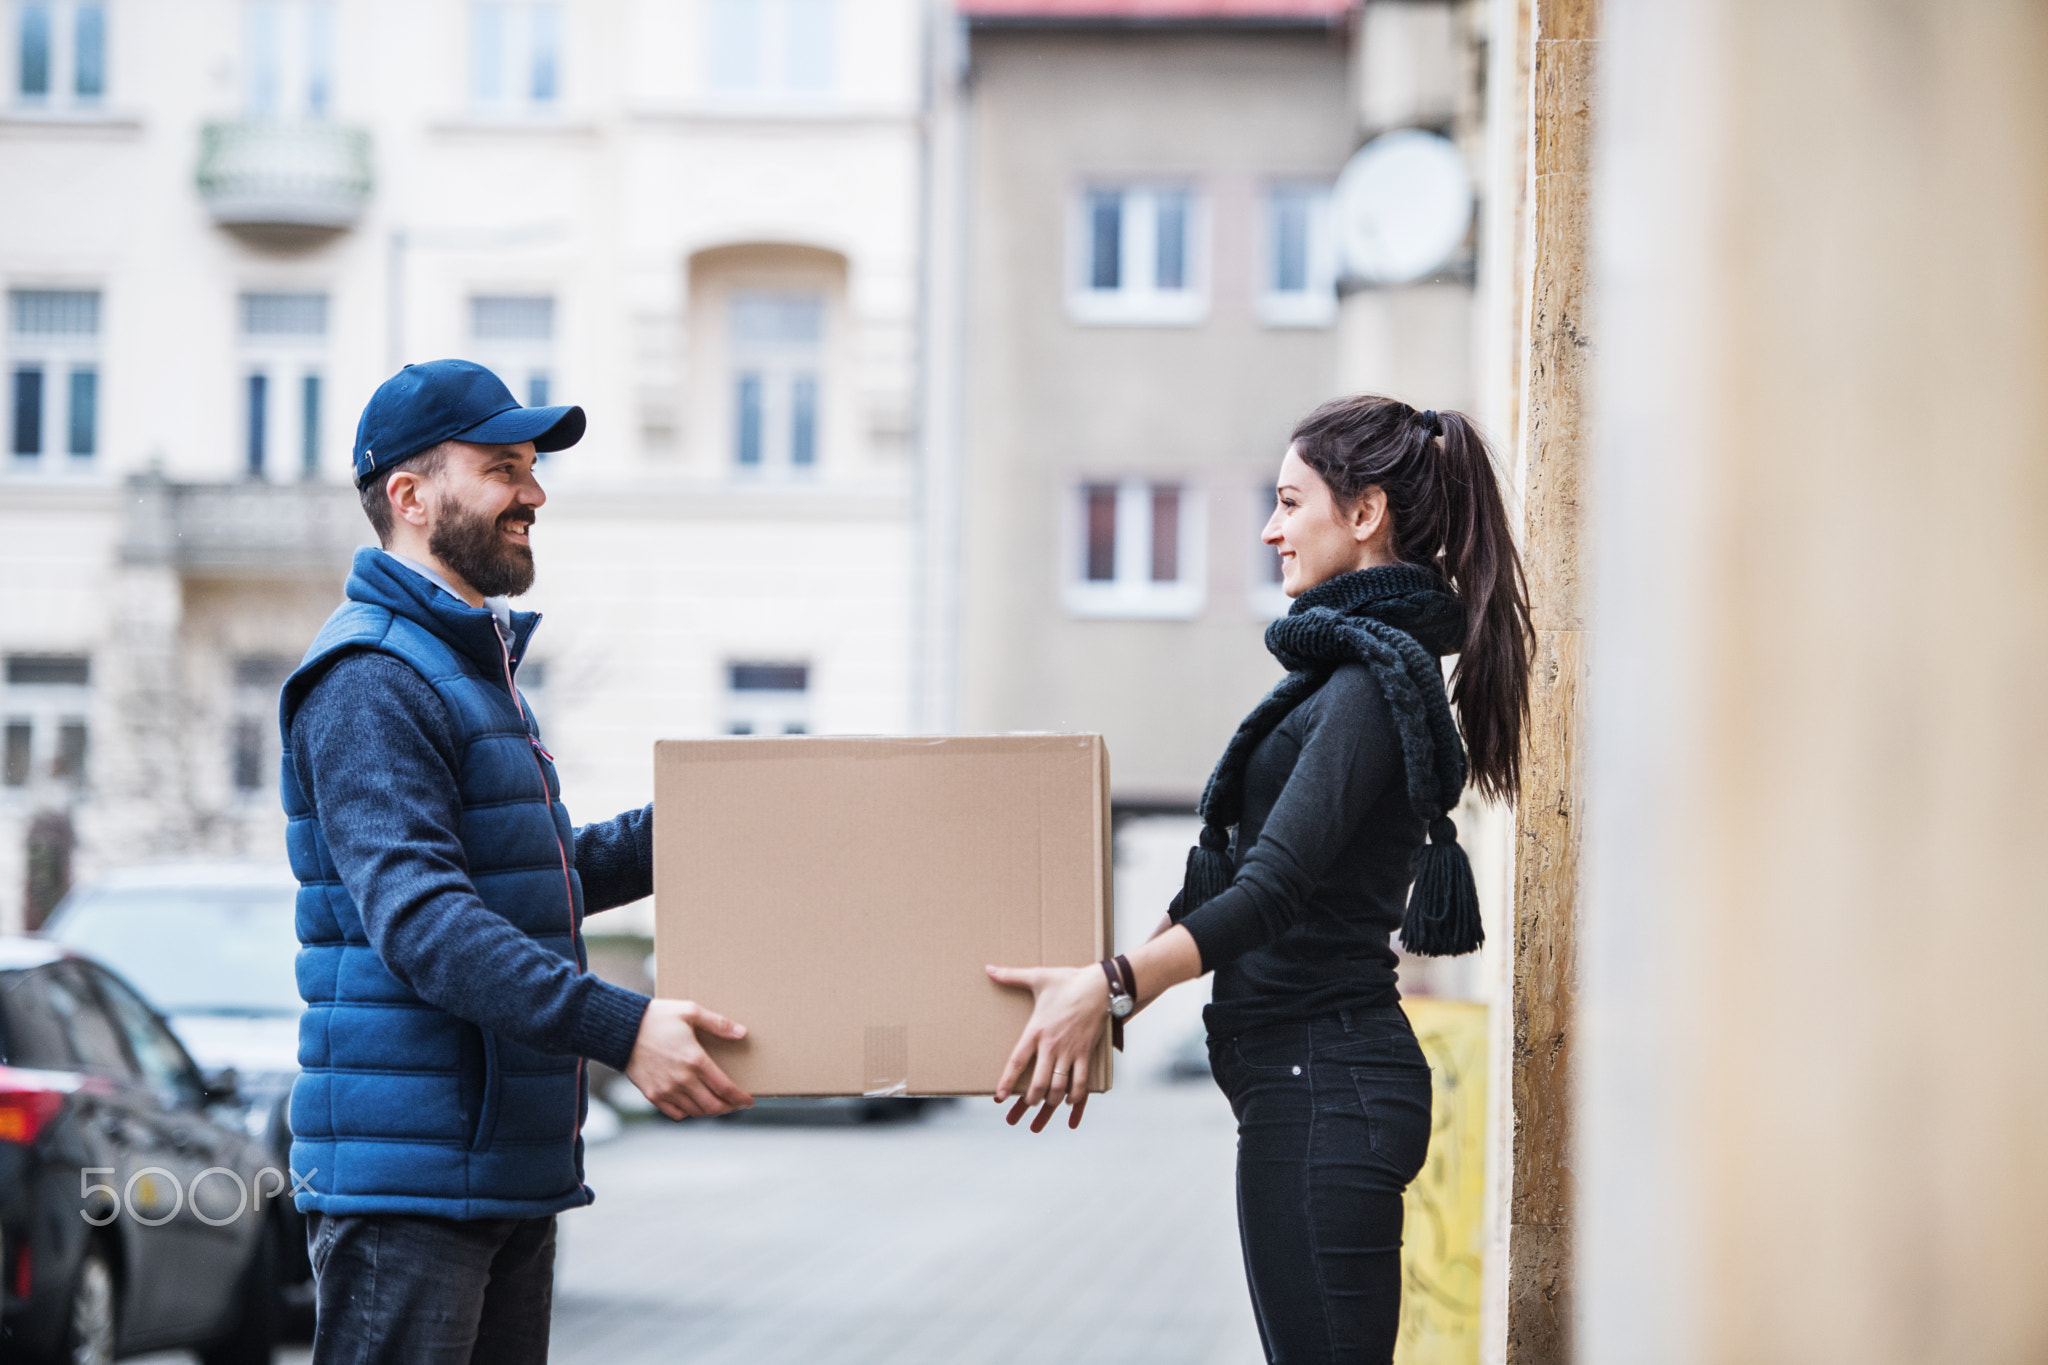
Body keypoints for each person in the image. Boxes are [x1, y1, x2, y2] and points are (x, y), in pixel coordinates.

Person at [988, 395, 1532, 1364]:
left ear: (1363, 515)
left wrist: (1113, 985)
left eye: (1290, 502)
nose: (1272, 530)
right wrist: (1096, 992)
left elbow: (1272, 888)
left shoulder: (1370, 687)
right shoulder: (1347, 676)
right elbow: (1233, 882)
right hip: (1308, 1086)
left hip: (1326, 1087)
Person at [279, 359, 754, 1364]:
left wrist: (708, 824)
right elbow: (426, 923)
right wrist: (621, 1027)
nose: (533, 494)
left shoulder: (462, 670)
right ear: (410, 497)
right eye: (503, 468)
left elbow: (528, 881)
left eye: (531, 468)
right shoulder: (371, 678)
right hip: (409, 1186)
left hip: (492, 1168)